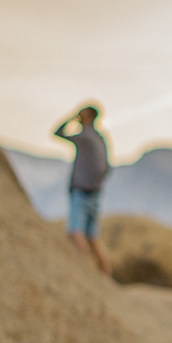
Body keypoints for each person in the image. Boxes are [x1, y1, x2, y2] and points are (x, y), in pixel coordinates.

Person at [54, 105, 111, 276]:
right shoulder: (100, 138)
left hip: (81, 191)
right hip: (95, 192)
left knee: (75, 233)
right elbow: (107, 167)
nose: (79, 116)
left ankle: (86, 273)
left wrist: (71, 118)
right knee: (92, 237)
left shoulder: (84, 137)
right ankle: (106, 275)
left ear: (87, 117)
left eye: (81, 114)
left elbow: (58, 133)